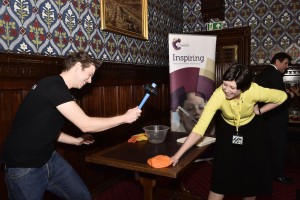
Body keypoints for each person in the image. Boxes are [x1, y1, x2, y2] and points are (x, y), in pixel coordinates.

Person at [1, 51, 142, 200]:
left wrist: (76, 140)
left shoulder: (60, 90)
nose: (90, 81)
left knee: (82, 196)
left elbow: (47, 129)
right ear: (77, 66)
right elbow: (86, 125)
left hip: (49, 158)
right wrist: (124, 118)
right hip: (24, 166)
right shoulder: (53, 85)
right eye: (89, 74)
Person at [170, 64, 287, 200]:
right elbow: (198, 130)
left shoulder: (254, 91)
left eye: (232, 87)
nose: (226, 90)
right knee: (221, 174)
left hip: (252, 129)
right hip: (228, 128)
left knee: (251, 174)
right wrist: (177, 156)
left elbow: (282, 96)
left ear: (243, 88)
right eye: (225, 84)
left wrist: (260, 110)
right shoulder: (218, 95)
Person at [255, 52, 293, 184]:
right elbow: (279, 100)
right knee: (279, 147)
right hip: (276, 118)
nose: (286, 67)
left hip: (265, 118)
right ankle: (278, 174)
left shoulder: (263, 73)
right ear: (277, 61)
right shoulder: (275, 74)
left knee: (267, 147)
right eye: (285, 63)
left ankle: (266, 173)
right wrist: (290, 96)